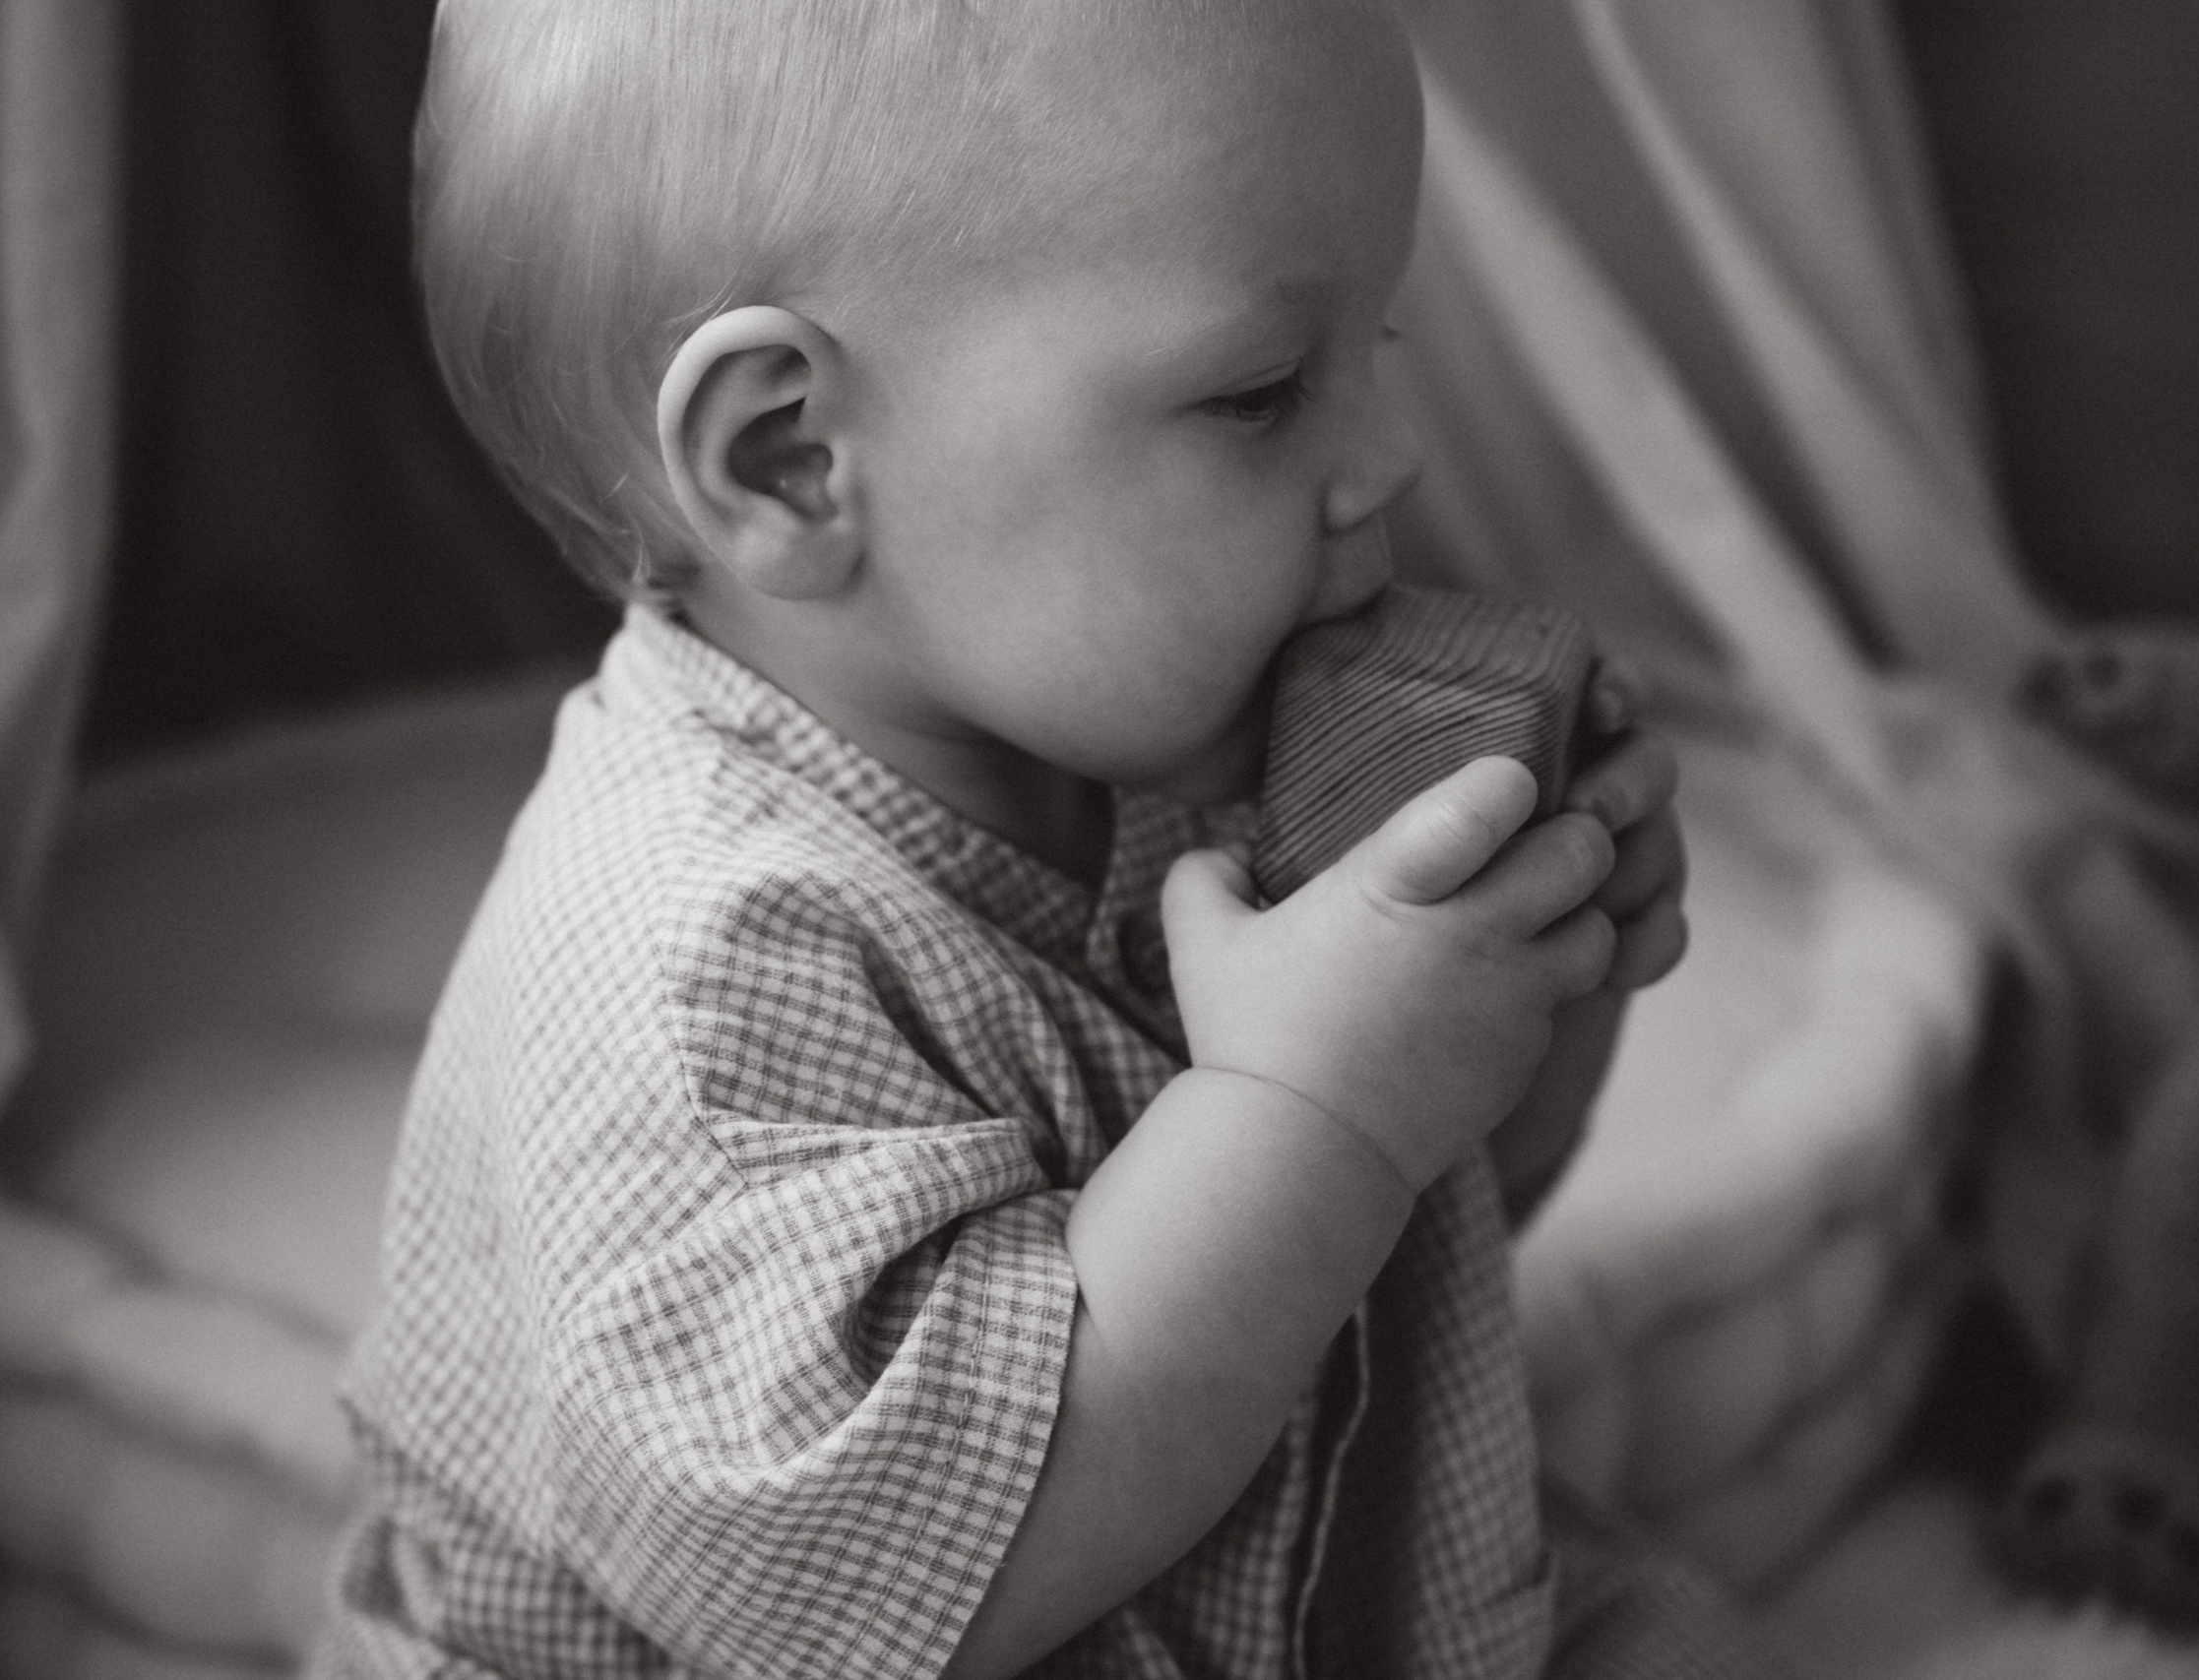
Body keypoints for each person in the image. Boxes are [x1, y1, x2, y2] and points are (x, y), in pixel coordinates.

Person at [319, 2, 1760, 1675]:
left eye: (1383, 340)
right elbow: (917, 1573)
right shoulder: (694, 978)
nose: (1388, 458)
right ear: (791, 459)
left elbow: (1372, 1278)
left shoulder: (1152, 724)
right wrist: (1319, 1111)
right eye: (1260, 388)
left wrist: (1519, 1001)